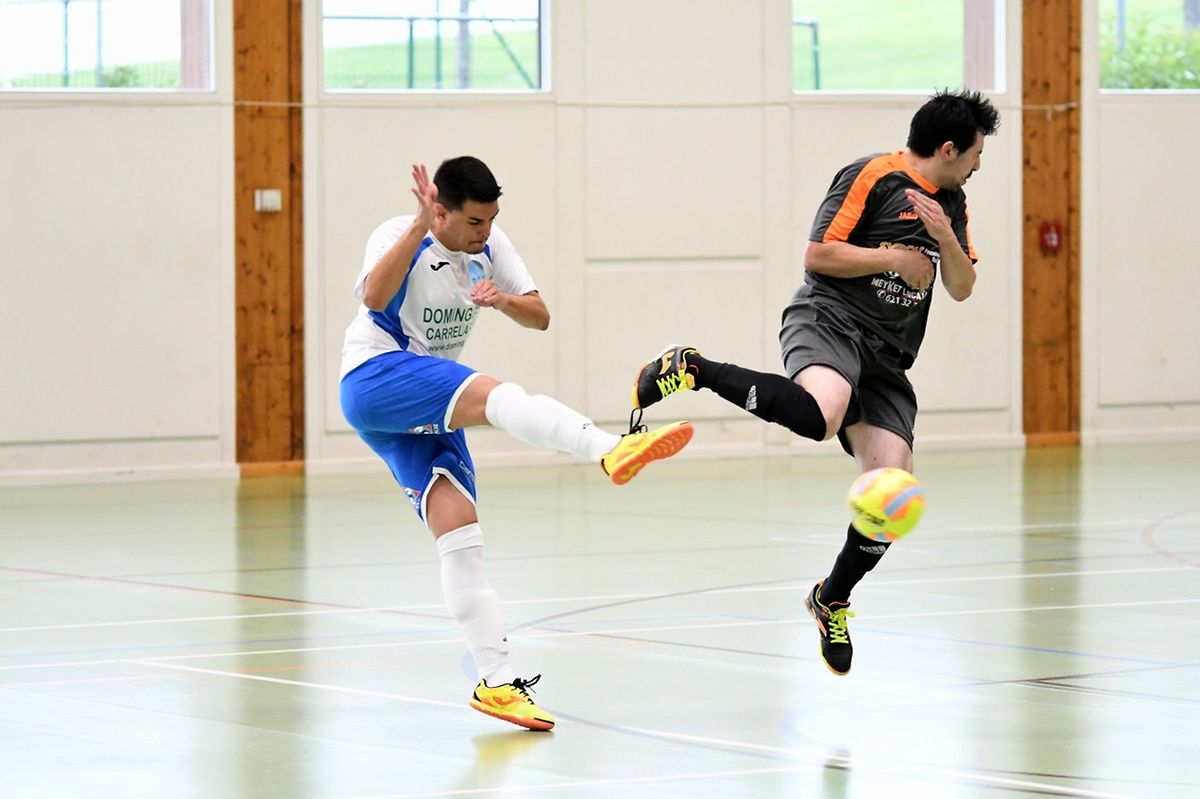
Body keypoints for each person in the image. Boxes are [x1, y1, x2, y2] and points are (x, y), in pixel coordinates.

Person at [630, 89, 1000, 676]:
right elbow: (818, 255)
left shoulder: (953, 202)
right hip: (831, 320)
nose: (980, 166)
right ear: (949, 147)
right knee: (820, 414)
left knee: (891, 497)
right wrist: (891, 259)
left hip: (888, 360)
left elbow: (961, 286)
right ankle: (693, 368)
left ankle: (831, 598)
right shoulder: (871, 177)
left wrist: (946, 237)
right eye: (976, 154)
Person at [339, 156, 694, 729]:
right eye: (475, 221)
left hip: (421, 401)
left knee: (460, 529)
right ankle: (608, 448)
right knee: (500, 397)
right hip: (377, 376)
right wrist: (415, 226)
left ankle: (496, 683)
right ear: (441, 211)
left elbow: (541, 316)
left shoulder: (491, 243)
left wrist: (503, 300)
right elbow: (375, 300)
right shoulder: (398, 234)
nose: (485, 231)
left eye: (491, 219)